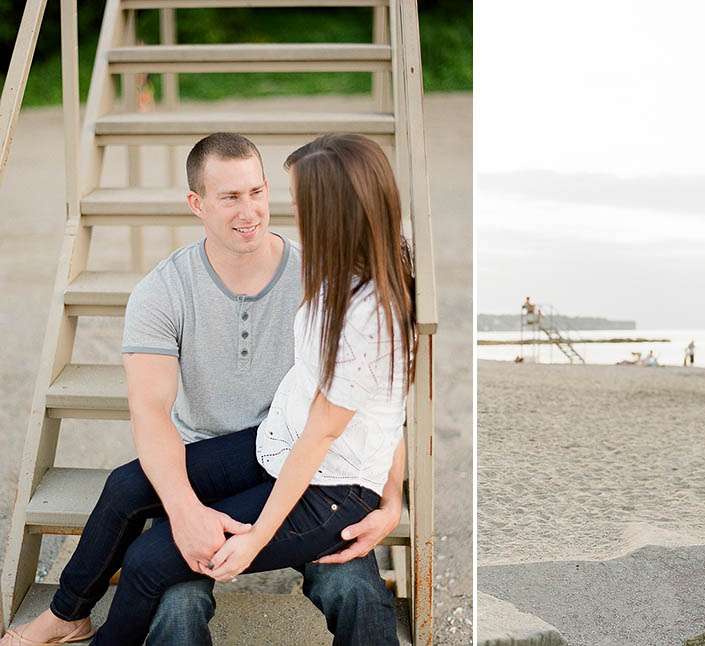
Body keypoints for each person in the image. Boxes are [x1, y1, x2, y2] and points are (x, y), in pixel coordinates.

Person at [0, 133, 412, 645]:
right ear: (196, 204)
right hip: (269, 448)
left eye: (260, 193)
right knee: (132, 499)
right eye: (231, 196)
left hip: (319, 476)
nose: (256, 211)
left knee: (353, 588)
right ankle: (67, 616)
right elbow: (150, 410)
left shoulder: (330, 282)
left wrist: (389, 500)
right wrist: (185, 511)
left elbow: (367, 415)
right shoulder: (169, 288)